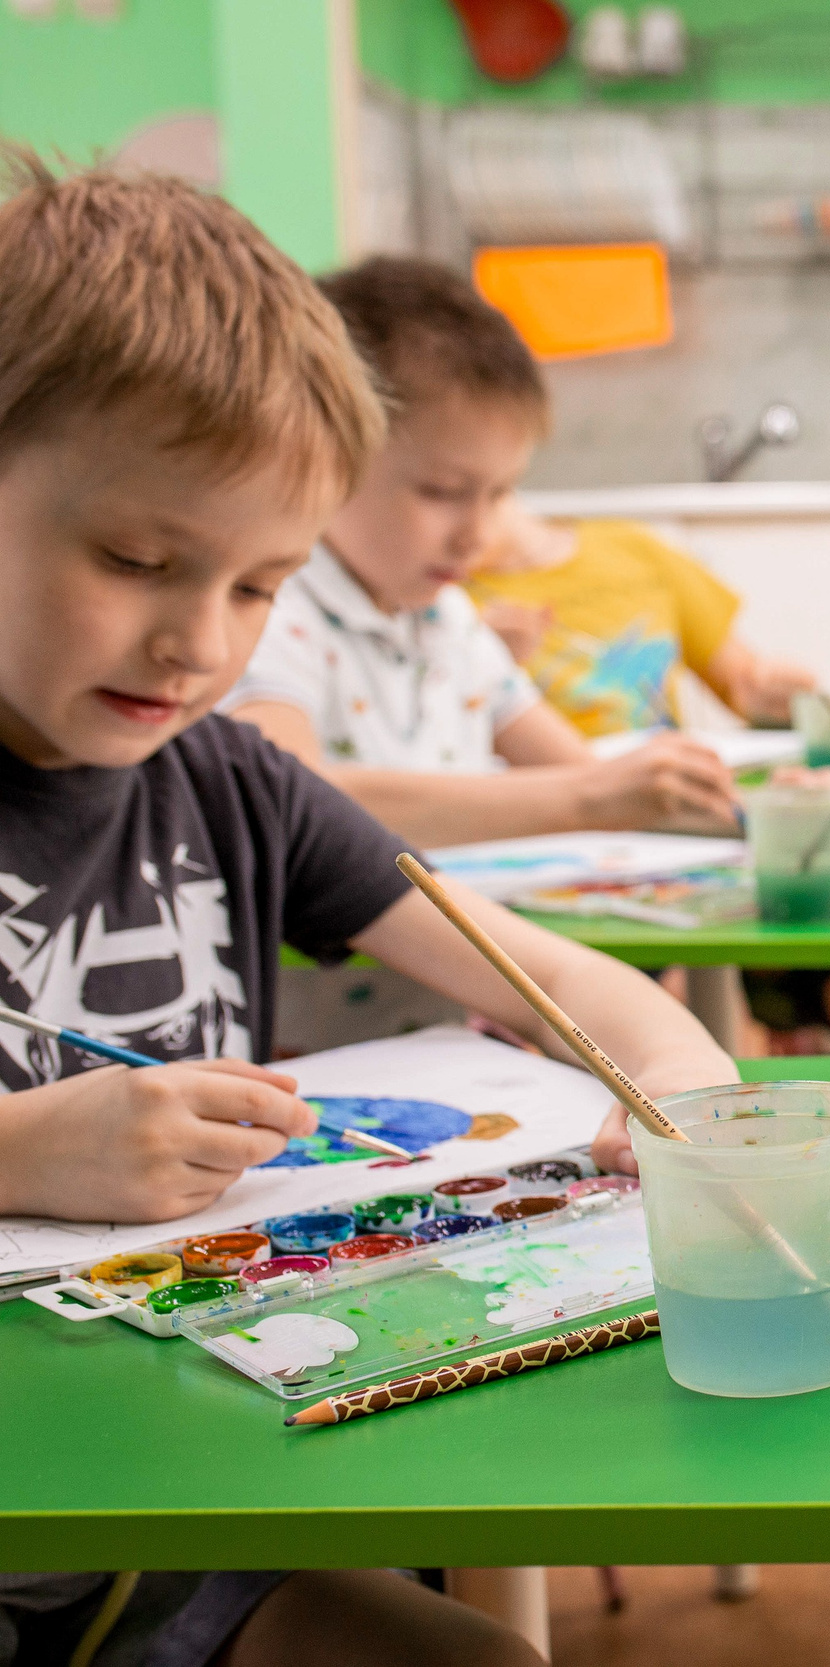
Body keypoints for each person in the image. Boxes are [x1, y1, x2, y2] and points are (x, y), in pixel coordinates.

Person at [0, 156, 733, 1664]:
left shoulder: (231, 783)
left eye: (263, 586)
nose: (198, 639)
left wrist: (681, 1081)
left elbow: (550, 981)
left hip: (172, 1518)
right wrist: (22, 1150)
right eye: (137, 560)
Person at [223, 257, 735, 848]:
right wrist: (592, 797)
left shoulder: (446, 618)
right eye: (442, 491)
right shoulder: (273, 615)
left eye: (498, 495)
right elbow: (289, 801)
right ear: (319, 459)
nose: (477, 533)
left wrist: (749, 809)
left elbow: (585, 777)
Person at [469, 496, 817, 738]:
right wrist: (474, 660)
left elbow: (739, 683)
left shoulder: (634, 549)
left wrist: (769, 693)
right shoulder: (438, 599)